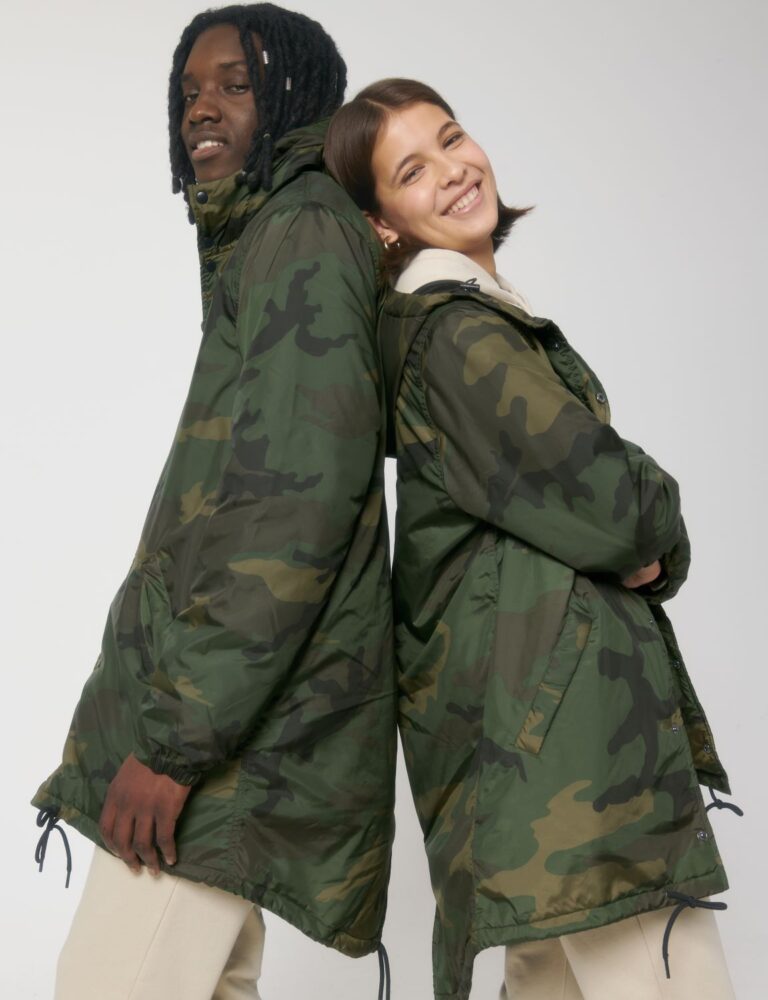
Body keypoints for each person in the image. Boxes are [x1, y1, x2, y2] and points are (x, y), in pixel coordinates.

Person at [325, 78, 738, 1000]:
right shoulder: (456, 335)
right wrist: (654, 534)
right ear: (382, 223)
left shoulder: (473, 321)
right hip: (573, 774)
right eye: (410, 170)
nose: (452, 170)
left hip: (539, 770)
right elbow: (618, 505)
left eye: (451, 137)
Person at [32, 8, 396, 999]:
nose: (202, 107)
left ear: (295, 99)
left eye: (236, 84)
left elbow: (291, 505)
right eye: (190, 88)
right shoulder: (271, 234)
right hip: (240, 730)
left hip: (230, 743)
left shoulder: (302, 232)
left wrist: (173, 745)